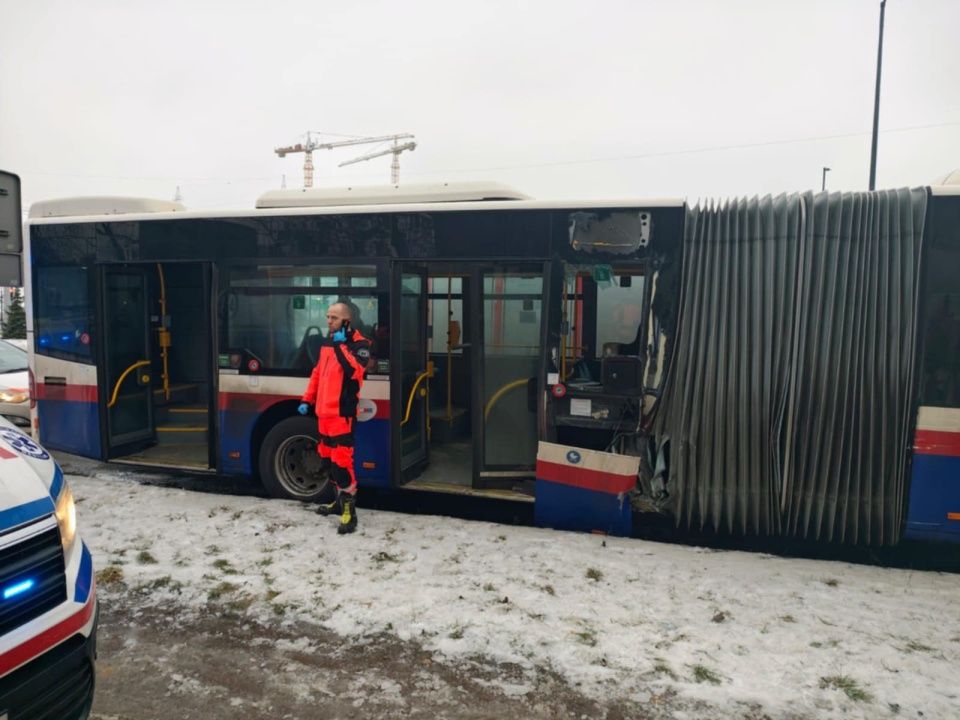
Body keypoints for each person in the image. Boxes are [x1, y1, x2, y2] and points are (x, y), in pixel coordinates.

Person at [298, 302, 371, 534]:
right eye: (328, 317)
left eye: (334, 318)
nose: (329, 321)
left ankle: (350, 513)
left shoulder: (360, 345)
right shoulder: (328, 341)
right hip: (324, 414)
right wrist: (307, 399)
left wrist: (340, 345)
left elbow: (354, 371)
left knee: (342, 465)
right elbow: (318, 373)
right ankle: (338, 503)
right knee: (328, 462)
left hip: (341, 416)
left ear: (346, 321)